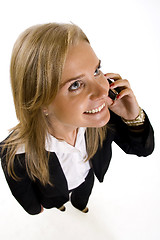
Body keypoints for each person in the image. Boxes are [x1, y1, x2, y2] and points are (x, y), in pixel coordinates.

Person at [0, 23, 154, 215]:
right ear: (41, 103)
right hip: (53, 195)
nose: (102, 89)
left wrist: (133, 117)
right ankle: (60, 204)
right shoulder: (16, 152)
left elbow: (143, 149)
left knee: (82, 195)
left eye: (97, 70)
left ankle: (80, 204)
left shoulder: (102, 118)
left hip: (86, 179)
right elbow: (21, 187)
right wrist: (34, 209)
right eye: (75, 85)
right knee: (57, 199)